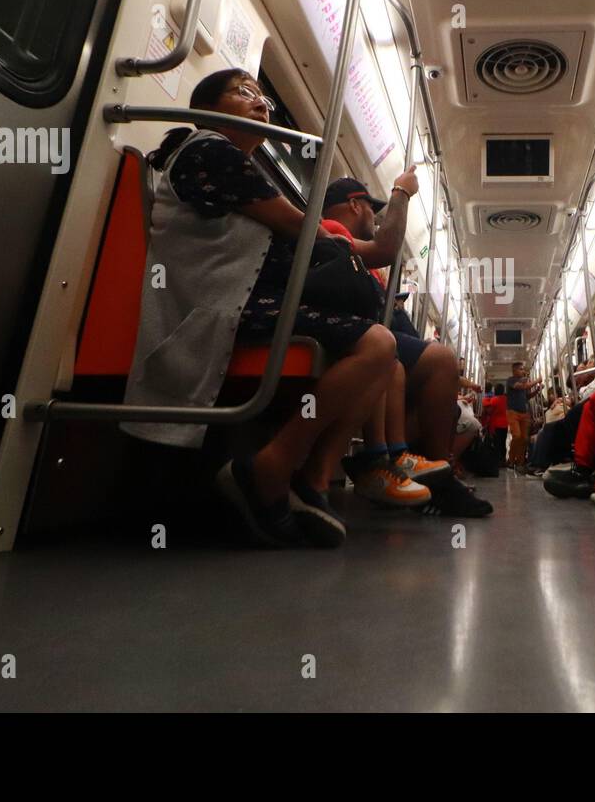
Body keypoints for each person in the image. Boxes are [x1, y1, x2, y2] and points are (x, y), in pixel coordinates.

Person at [121, 68, 393, 550]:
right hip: (219, 305)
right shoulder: (208, 150)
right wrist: (341, 250)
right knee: (377, 345)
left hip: (244, 299)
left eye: (264, 94)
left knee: (380, 358)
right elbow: (302, 230)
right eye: (244, 91)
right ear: (206, 109)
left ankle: (307, 475)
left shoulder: (233, 165)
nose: (261, 102)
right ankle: (273, 468)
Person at [322, 179, 492, 517]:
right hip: (348, 334)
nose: (374, 217)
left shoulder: (353, 248)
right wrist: (402, 192)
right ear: (356, 204)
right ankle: (438, 481)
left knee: (431, 375)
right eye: (372, 208)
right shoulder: (330, 229)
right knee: (440, 360)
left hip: (367, 332)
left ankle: (410, 472)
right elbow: (385, 249)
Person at [505, 363, 540, 473]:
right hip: (513, 412)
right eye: (521, 369)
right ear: (514, 370)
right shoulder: (511, 380)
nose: (523, 371)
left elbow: (527, 396)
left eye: (523, 369)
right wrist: (537, 380)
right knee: (517, 436)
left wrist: (537, 390)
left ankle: (520, 462)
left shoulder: (524, 382)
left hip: (524, 413)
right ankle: (511, 460)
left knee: (524, 438)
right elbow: (522, 387)